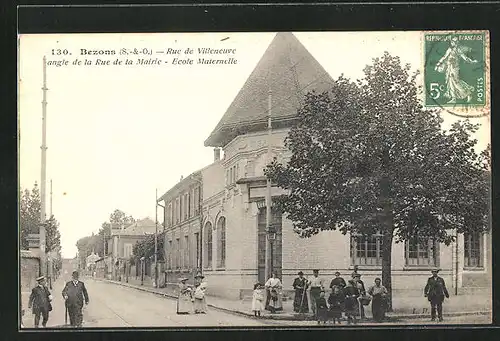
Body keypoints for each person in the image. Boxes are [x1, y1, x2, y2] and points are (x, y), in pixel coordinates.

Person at [435, 36, 478, 104]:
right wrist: (438, 64)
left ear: (456, 43)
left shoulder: (458, 50)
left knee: (456, 82)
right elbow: (444, 57)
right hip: (449, 68)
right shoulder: (449, 49)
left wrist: (472, 61)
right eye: (452, 41)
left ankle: (468, 94)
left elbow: (465, 58)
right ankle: (453, 98)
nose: (452, 43)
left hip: (455, 68)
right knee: (450, 82)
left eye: (453, 42)